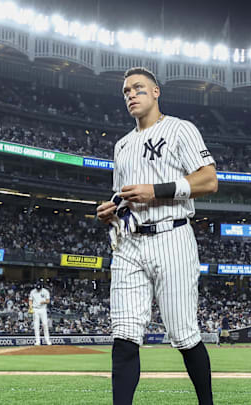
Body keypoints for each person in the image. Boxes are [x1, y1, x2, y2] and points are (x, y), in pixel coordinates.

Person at [96, 66, 218, 405]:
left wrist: (156, 191)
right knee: (124, 334)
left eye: (138, 88)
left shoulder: (180, 129)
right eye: (126, 92)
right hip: (129, 243)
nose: (131, 95)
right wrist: (109, 210)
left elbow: (208, 181)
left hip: (172, 236)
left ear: (156, 92)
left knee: (183, 333)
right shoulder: (122, 145)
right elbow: (123, 197)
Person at [29, 279, 51, 346]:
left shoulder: (45, 291)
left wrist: (43, 302)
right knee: (36, 325)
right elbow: (30, 300)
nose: (38, 289)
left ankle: (47, 340)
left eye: (39, 288)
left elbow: (48, 301)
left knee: (45, 324)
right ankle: (37, 341)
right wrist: (30, 307)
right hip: (35, 309)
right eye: (37, 288)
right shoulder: (33, 291)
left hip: (43, 309)